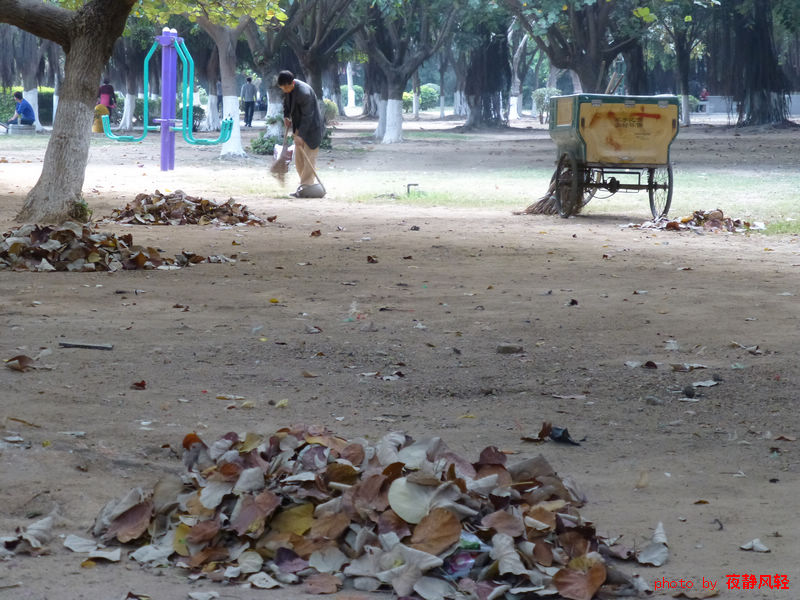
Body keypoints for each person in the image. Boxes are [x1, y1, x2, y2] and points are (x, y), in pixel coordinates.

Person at [277, 70, 324, 198]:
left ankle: (306, 187)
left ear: (292, 83)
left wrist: (300, 136)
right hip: (300, 129)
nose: (285, 90)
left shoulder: (304, 93)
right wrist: (286, 116)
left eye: (286, 87)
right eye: (283, 88)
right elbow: (286, 103)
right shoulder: (289, 90)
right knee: (299, 161)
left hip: (312, 129)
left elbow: (308, 116)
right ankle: (304, 187)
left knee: (309, 160)